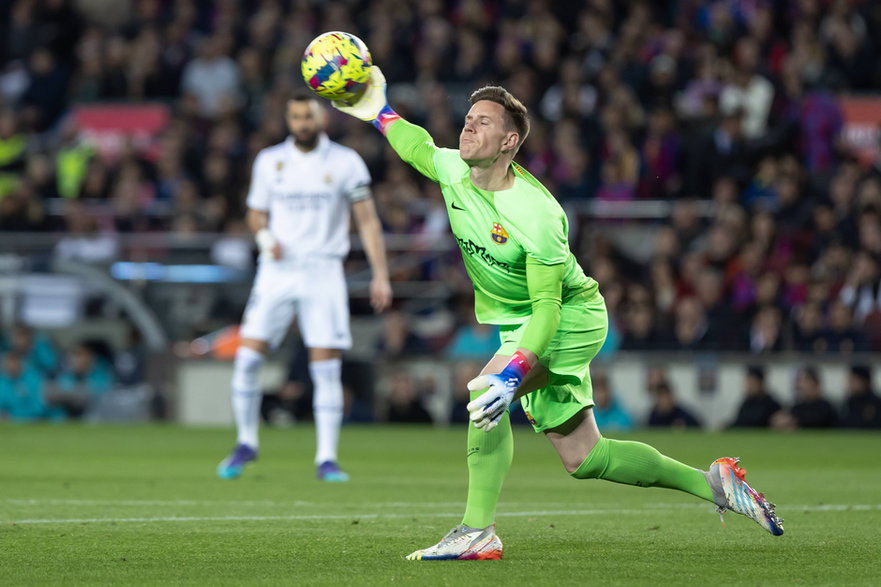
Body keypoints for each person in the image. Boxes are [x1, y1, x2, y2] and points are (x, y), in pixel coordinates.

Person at [332, 67, 783, 560]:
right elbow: (414, 144)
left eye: (482, 122)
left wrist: (515, 372)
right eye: (467, 118)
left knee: (487, 395)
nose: (467, 127)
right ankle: (714, 485)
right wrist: (377, 108)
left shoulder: (538, 214)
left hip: (570, 318)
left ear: (508, 142)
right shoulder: (454, 170)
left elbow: (548, 306)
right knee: (585, 457)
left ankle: (476, 531)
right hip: (522, 324)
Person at [216, 92, 392, 483]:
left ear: (322, 118)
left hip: (323, 270)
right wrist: (263, 238)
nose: (302, 123)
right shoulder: (269, 161)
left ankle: (326, 458)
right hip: (277, 270)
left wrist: (380, 273)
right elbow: (256, 214)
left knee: (326, 368)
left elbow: (367, 222)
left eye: (308, 116)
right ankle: (246, 442)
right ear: (288, 118)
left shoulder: (346, 162)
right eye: (295, 116)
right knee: (247, 358)